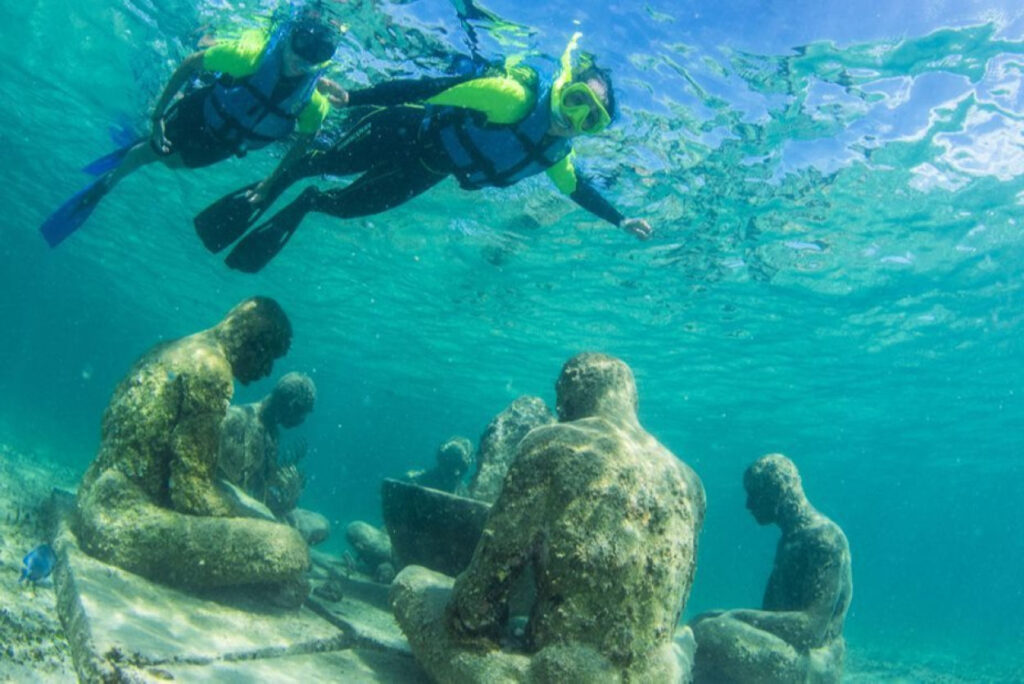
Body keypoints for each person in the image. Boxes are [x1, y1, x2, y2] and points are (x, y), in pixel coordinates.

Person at [194, 33, 655, 272]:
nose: (572, 120)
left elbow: (579, 189)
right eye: (576, 101)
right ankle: (272, 184)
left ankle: (303, 201)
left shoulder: (555, 152)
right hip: (405, 128)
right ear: (564, 87)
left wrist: (620, 220)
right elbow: (433, 87)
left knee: (343, 207)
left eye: (589, 119)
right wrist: (358, 98)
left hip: (428, 170)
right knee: (325, 160)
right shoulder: (513, 98)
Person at [390, 353, 706, 682]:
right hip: (655, 677)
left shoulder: (550, 444)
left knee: (413, 582)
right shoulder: (689, 482)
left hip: (559, 675)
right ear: (632, 398)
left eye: (559, 401)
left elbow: (476, 604)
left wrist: (497, 636)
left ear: (568, 395)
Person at [73, 297, 311, 606]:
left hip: (92, 488)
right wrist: (247, 519)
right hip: (120, 518)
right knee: (289, 547)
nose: (267, 372)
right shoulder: (213, 372)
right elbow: (191, 491)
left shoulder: (171, 347)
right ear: (255, 344)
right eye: (270, 358)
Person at [39, 5, 339, 248]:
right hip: (199, 111)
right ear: (288, 38)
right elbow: (190, 64)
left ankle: (141, 143)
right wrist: (157, 118)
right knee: (152, 152)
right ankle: (106, 184)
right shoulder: (245, 58)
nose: (302, 60)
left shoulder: (312, 105)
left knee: (173, 164)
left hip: (224, 142)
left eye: (316, 56)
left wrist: (271, 182)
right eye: (299, 47)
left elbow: (305, 140)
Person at [689, 454, 853, 683]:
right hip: (800, 656)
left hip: (815, 665)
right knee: (701, 623)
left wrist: (737, 616)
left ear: (776, 493)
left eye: (754, 494)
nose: (748, 504)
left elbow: (811, 629)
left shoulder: (824, 539)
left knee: (708, 633)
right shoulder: (793, 538)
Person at [218, 371, 316, 515]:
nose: (302, 422)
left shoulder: (271, 433)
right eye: (301, 415)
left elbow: (258, 484)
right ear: (291, 406)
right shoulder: (237, 420)